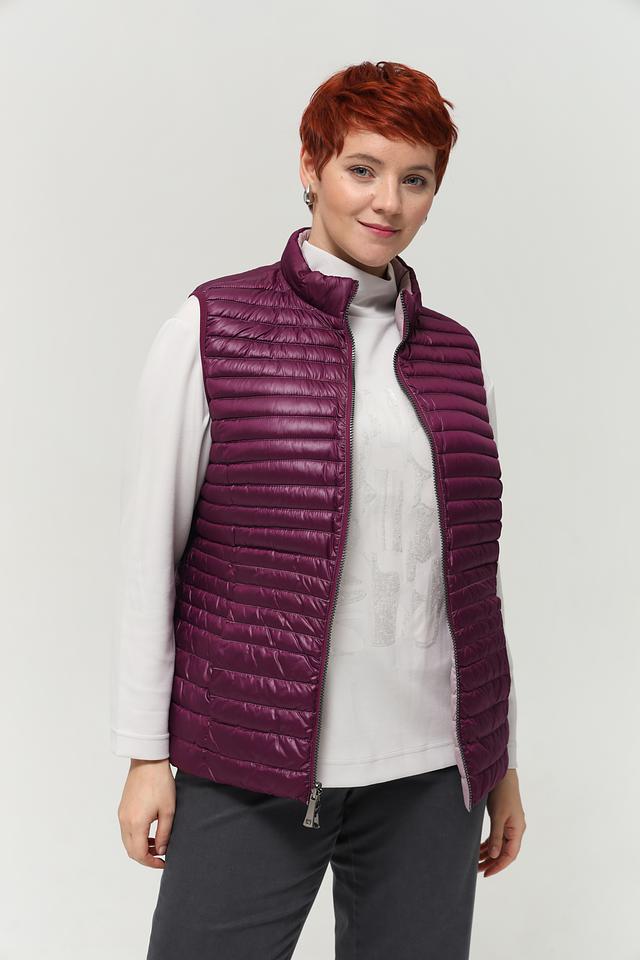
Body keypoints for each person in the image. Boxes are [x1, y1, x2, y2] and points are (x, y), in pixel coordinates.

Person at [112, 60, 526, 959]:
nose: (388, 202)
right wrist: (146, 752)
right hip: (252, 763)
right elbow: (152, 551)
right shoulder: (213, 327)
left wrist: (497, 759)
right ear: (310, 165)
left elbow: (472, 577)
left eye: (416, 179)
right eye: (362, 169)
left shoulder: (455, 354)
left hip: (432, 773)